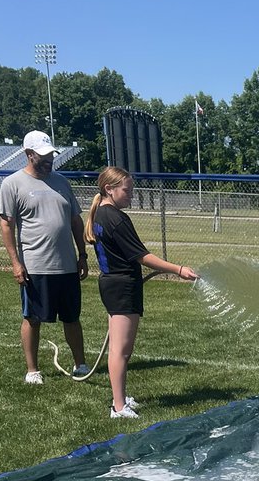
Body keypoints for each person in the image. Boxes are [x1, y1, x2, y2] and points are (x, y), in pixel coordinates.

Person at [84, 167, 198, 419]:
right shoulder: (115, 218)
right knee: (121, 351)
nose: (131, 195)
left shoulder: (102, 213)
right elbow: (142, 256)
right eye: (127, 190)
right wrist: (178, 269)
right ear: (109, 189)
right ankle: (118, 407)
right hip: (121, 287)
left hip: (114, 284)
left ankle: (120, 398)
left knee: (120, 348)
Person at [0, 130, 90, 385]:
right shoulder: (12, 184)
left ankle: (81, 364)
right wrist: (16, 263)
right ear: (29, 155)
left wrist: (82, 254)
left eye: (51, 154)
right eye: (43, 155)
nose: (49, 159)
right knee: (32, 318)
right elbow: (6, 225)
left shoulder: (62, 182)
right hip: (35, 266)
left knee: (72, 317)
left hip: (67, 265)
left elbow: (75, 220)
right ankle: (32, 370)